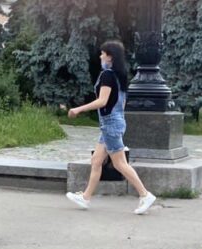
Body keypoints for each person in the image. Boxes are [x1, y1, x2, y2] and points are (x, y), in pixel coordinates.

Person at [65, 41, 157, 215]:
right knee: (96, 161)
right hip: (114, 122)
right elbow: (120, 102)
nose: (100, 56)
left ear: (110, 56)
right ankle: (85, 197)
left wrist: (78, 109)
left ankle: (145, 195)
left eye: (103, 53)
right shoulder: (119, 75)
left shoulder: (107, 75)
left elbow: (102, 101)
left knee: (120, 163)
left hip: (110, 124)